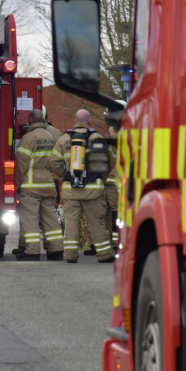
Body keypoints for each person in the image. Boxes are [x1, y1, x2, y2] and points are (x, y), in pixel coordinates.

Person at [50, 110, 114, 263]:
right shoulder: (97, 138)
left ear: (75, 120)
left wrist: (64, 178)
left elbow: (54, 161)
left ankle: (70, 255)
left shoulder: (64, 139)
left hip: (71, 190)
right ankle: (104, 254)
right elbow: (110, 161)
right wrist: (101, 178)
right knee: (96, 222)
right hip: (93, 190)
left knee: (71, 222)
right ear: (89, 121)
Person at [14, 109, 64, 261]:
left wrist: (17, 184)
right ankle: (56, 250)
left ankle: (32, 252)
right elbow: (56, 161)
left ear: (30, 120)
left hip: (31, 186)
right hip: (48, 184)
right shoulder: (50, 137)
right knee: (51, 219)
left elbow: (22, 164)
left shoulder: (28, 138)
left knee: (30, 219)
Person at [104, 126, 118, 248]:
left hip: (107, 179)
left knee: (105, 211)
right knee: (115, 210)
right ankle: (116, 241)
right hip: (116, 180)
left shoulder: (111, 134)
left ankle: (108, 241)